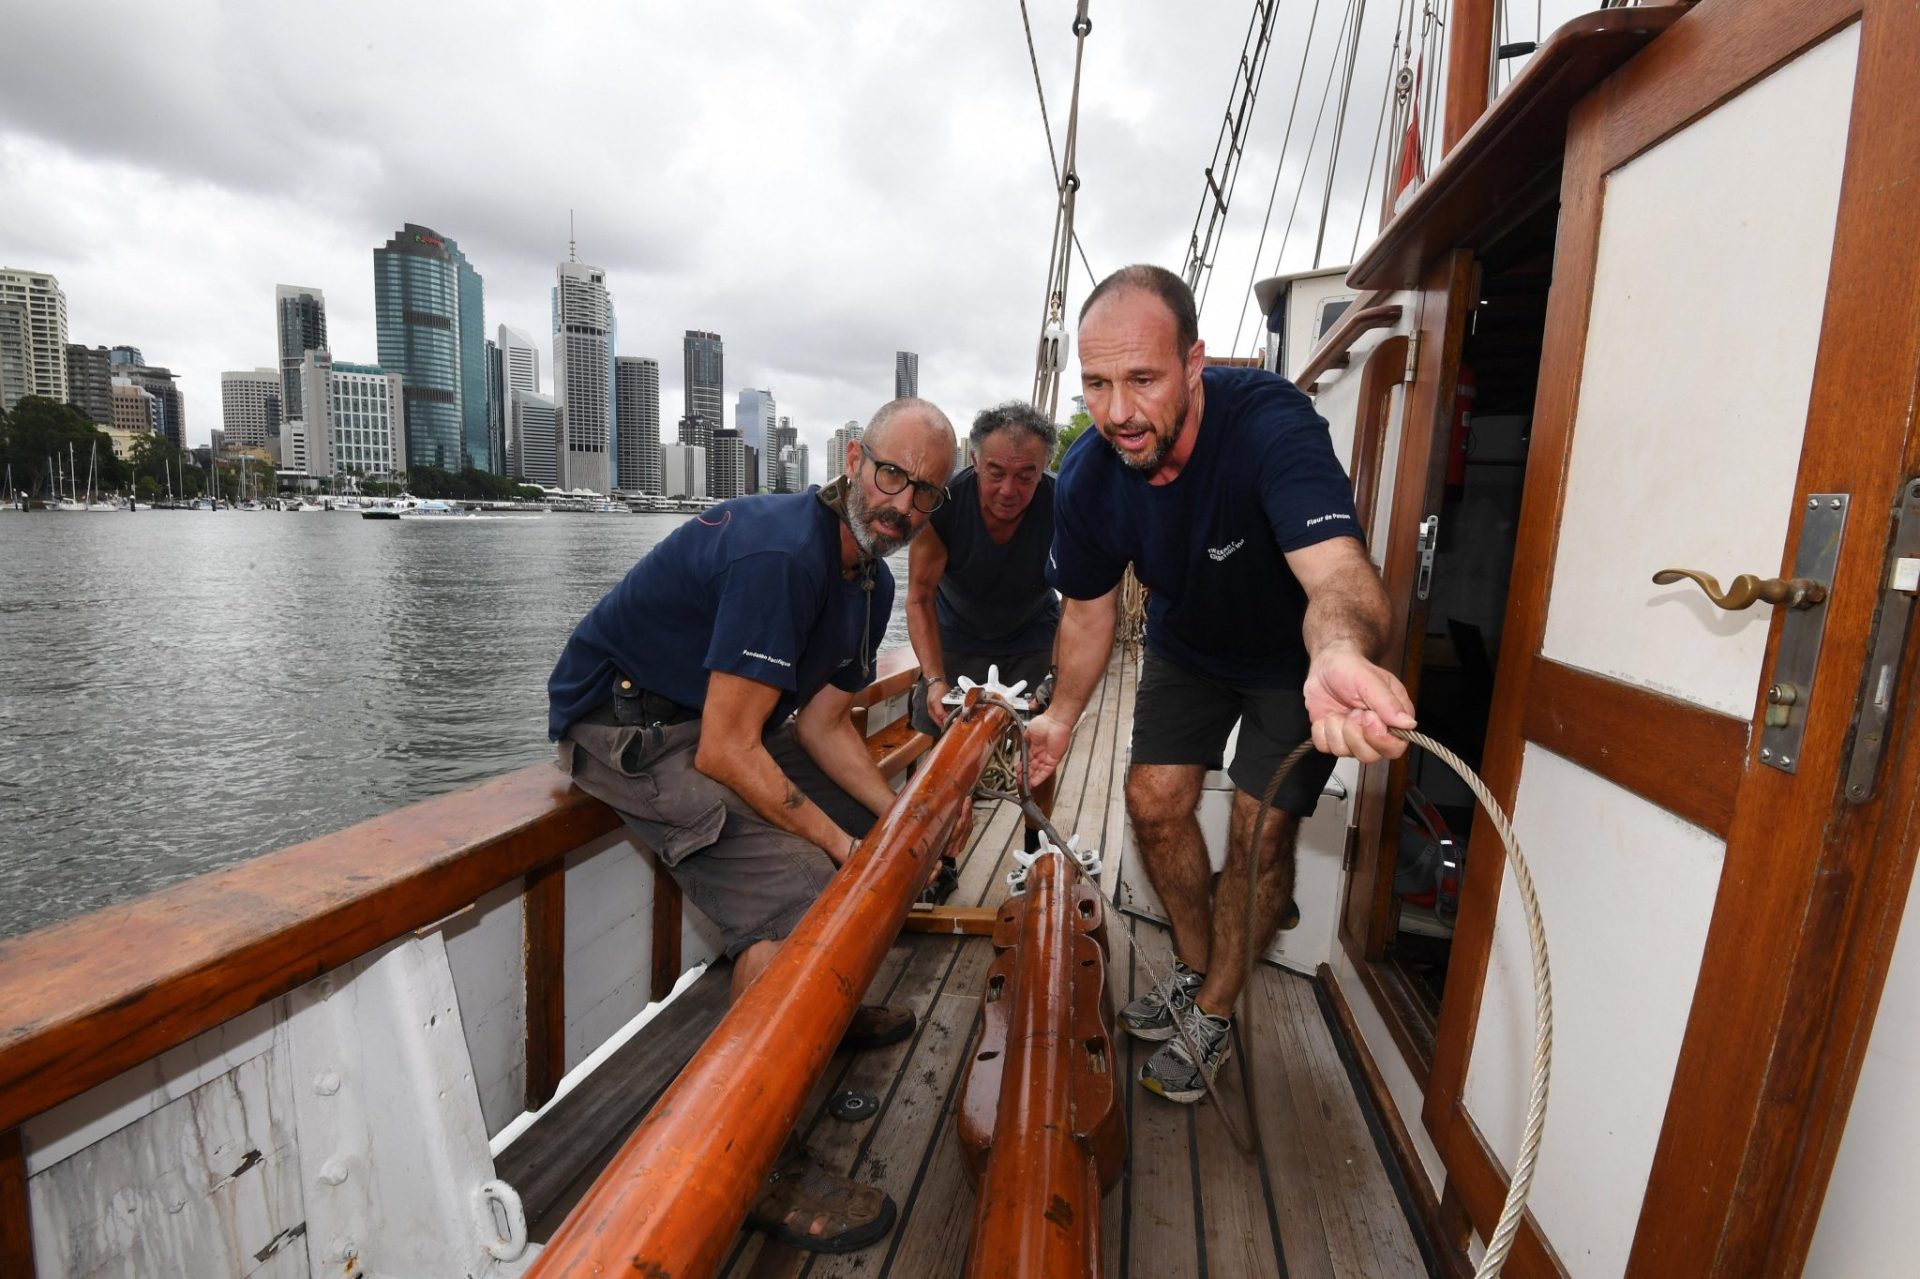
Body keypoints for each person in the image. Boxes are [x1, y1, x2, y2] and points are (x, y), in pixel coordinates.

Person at [546, 397, 957, 1252]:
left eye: (926, 493)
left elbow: (823, 725)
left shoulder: (871, 582)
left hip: (717, 721)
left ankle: (820, 1007)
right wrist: (841, 848)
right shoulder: (782, 554)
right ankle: (752, 1156)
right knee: (804, 888)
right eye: (892, 475)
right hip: (629, 729)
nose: (902, 506)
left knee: (862, 830)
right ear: (855, 460)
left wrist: (898, 820)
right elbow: (728, 751)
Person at [1026, 265, 1415, 1105]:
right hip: (1189, 644)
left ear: (1194, 363)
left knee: (1258, 832)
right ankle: (1197, 967)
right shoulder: (1089, 477)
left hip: (1294, 659)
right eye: (1096, 384)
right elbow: (1087, 614)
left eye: (1143, 378)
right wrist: (1058, 717)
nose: (1118, 412)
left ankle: (1215, 1008)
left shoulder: (1270, 423)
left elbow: (1338, 573)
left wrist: (1339, 651)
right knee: (1152, 801)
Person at [905, 401, 1060, 875]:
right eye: (995, 472)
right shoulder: (944, 506)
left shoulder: (1064, 503)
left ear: (1044, 469)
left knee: (1039, 746)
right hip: (956, 631)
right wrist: (934, 679)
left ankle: (1037, 848)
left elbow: (1081, 601)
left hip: (1032, 631)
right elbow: (919, 597)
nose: (1009, 490)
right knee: (937, 744)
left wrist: (1057, 677)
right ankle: (940, 860)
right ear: (974, 460)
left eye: (1026, 475)